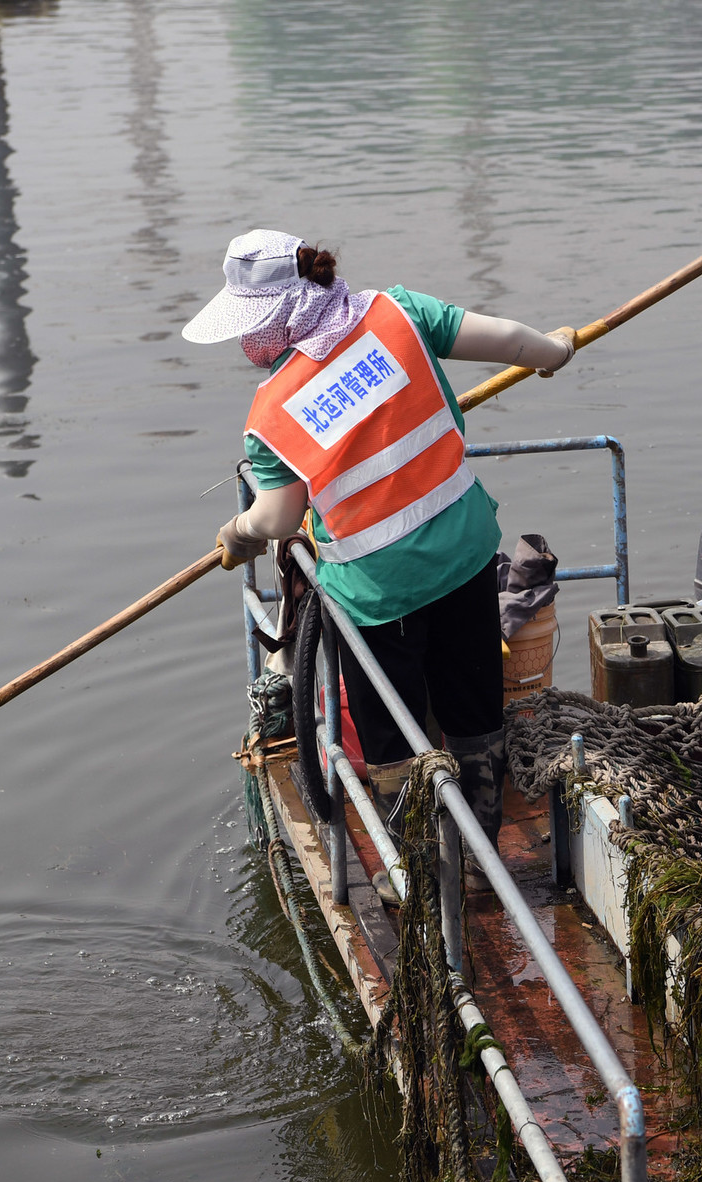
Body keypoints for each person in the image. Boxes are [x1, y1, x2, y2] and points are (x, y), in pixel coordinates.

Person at [184, 229, 574, 898]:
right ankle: (479, 848)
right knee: (476, 707)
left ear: (268, 319)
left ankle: (418, 878)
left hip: (375, 594)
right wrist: (554, 350)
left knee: (392, 735)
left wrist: (239, 529)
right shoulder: (397, 312)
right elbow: (509, 338)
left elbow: (279, 517)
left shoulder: (272, 411)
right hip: (465, 558)